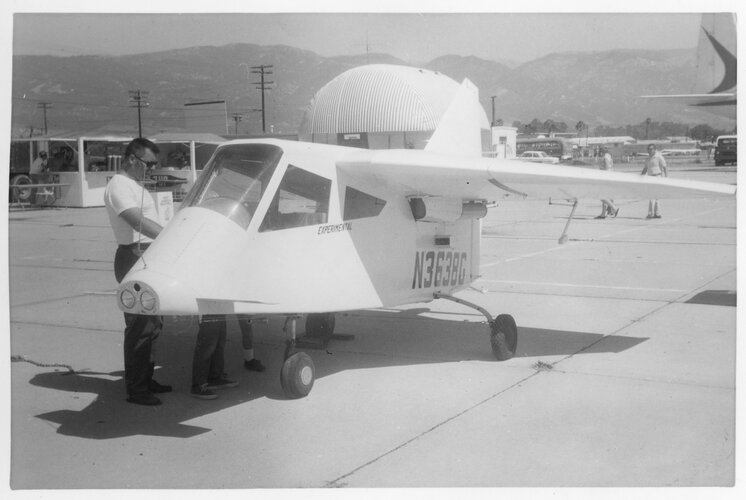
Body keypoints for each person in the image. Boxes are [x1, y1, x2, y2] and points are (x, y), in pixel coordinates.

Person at [104, 137, 171, 406]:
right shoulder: (118, 185)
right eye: (149, 163)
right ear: (132, 159)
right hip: (133, 254)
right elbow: (137, 221)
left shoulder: (135, 184)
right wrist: (171, 236)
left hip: (148, 254)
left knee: (153, 323)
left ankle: (145, 378)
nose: (152, 169)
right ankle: (137, 389)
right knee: (140, 326)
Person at [191, 314, 239, 400]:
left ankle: (214, 377)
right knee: (207, 345)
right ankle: (198, 385)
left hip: (219, 308)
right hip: (207, 309)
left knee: (219, 342)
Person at [640, 144, 668, 219]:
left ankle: (657, 213)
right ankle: (650, 213)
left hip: (657, 176)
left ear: (655, 149)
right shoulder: (647, 159)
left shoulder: (659, 157)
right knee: (651, 196)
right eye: (648, 149)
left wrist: (666, 177)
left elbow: (664, 167)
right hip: (650, 177)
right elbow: (645, 168)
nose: (649, 150)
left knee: (657, 197)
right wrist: (640, 177)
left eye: (651, 149)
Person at [595, 147, 619, 219]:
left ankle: (613, 209)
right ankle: (604, 213)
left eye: (600, 150)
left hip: (606, 177)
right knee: (606, 195)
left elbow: (606, 168)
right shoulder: (608, 156)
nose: (599, 152)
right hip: (610, 176)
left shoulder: (605, 157)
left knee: (601, 195)